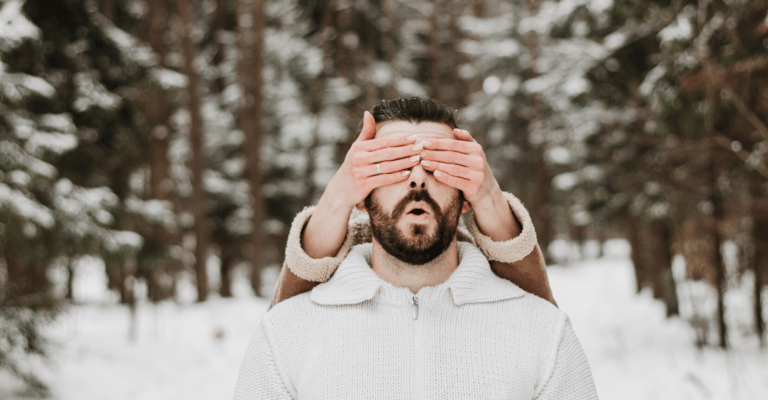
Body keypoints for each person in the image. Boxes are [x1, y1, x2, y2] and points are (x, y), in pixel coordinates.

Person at [234, 97, 597, 399]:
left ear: (467, 198)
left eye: (439, 165)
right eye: (394, 163)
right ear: (360, 197)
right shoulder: (286, 333)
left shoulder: (542, 330)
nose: (418, 177)